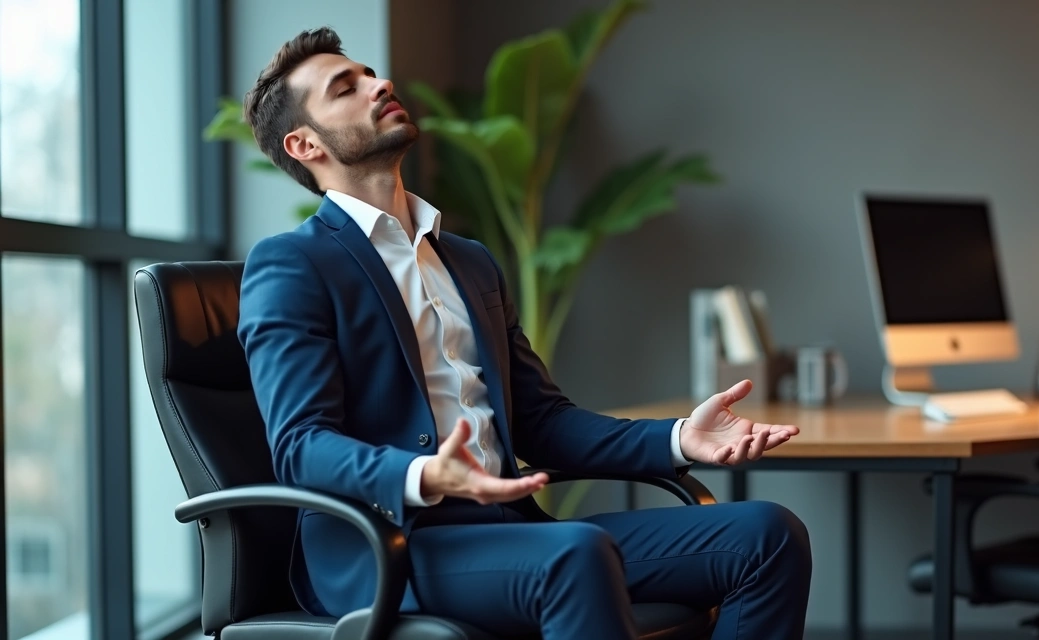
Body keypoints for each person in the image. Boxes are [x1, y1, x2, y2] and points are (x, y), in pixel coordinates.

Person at [236, 26, 812, 640]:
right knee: (576, 555)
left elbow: (541, 421)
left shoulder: (468, 260)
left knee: (768, 536)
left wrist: (676, 439)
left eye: (371, 73)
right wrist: (423, 475)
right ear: (304, 144)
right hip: (395, 550)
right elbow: (300, 445)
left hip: (512, 532)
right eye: (345, 88)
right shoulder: (292, 264)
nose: (380, 84)